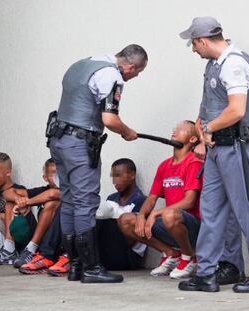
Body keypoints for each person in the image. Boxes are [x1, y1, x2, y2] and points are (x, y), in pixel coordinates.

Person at [178, 16, 249, 293]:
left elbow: (236, 110)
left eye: (193, 44)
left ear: (202, 40)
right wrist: (201, 129)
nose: (193, 50)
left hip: (233, 146)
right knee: (211, 212)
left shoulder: (234, 64)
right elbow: (209, 105)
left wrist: (209, 127)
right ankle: (207, 273)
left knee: (245, 211)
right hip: (215, 150)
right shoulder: (214, 65)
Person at [49, 44, 148, 283]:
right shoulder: (112, 75)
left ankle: (75, 266)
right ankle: (92, 268)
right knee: (85, 202)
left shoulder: (81, 64)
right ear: (131, 66)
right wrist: (126, 131)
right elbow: (110, 119)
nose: (134, 77)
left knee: (70, 200)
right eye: (137, 73)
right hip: (80, 144)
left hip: (57, 139)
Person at [119, 121, 203, 279]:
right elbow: (151, 198)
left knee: (169, 214)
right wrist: (143, 216)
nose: (174, 131)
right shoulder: (164, 165)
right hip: (170, 223)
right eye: (174, 129)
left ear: (192, 139)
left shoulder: (194, 162)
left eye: (180, 129)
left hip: (192, 227)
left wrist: (156, 213)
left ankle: (189, 256)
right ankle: (171, 253)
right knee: (126, 220)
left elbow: (189, 201)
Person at [95, 158, 147, 271]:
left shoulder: (141, 201)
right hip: (109, 251)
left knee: (102, 222)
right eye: (113, 176)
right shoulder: (112, 198)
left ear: (132, 175)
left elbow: (132, 239)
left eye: (118, 175)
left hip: (128, 257)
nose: (114, 181)